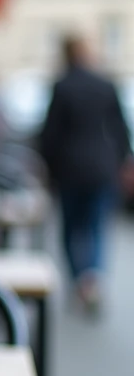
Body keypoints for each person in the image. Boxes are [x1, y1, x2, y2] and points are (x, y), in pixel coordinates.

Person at [38, 34, 133, 314]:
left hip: (69, 169)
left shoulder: (62, 86)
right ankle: (92, 277)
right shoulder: (105, 84)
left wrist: (48, 167)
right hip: (102, 168)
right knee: (95, 227)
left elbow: (50, 134)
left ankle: (79, 278)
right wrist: (123, 161)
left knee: (70, 228)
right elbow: (120, 129)